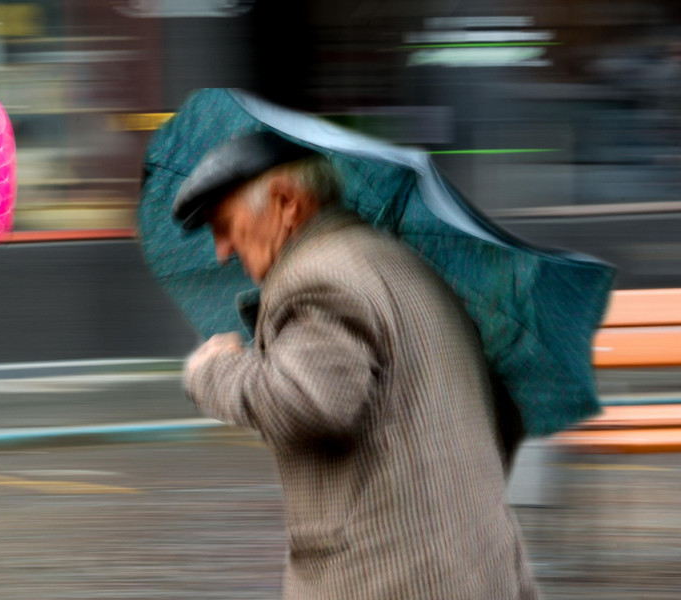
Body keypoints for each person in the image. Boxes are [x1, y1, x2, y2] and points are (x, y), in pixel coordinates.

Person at [175, 132, 538, 600]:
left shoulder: (316, 275)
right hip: (484, 569)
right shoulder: (404, 263)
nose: (222, 249)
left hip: (385, 579)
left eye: (224, 224)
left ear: (286, 201)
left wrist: (213, 373)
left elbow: (306, 405)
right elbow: (503, 417)